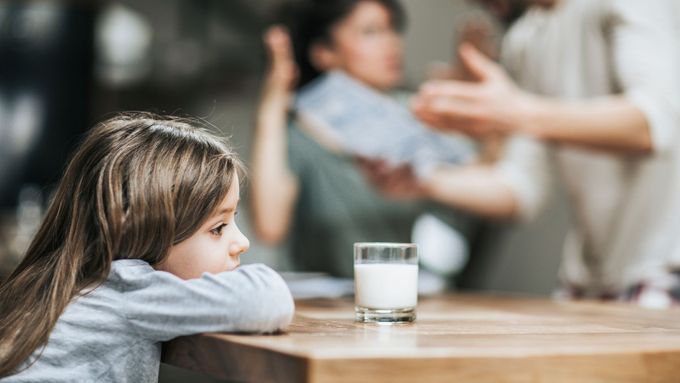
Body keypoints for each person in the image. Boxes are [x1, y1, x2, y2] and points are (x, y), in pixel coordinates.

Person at [368, 0, 680, 307]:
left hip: (664, 271)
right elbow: (523, 188)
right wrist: (424, 180)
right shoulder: (526, 39)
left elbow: (657, 121)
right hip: (589, 282)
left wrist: (517, 113)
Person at [0, 113, 295, 381]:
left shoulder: (72, 286)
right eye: (218, 228)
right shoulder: (127, 289)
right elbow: (270, 299)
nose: (242, 243)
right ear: (142, 231)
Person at [251, 0, 476, 280]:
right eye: (370, 32)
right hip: (327, 309)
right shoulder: (299, 138)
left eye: (392, 30)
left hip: (408, 299)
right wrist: (272, 105)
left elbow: (488, 181)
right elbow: (269, 228)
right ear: (324, 53)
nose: (391, 44)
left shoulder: (417, 121)